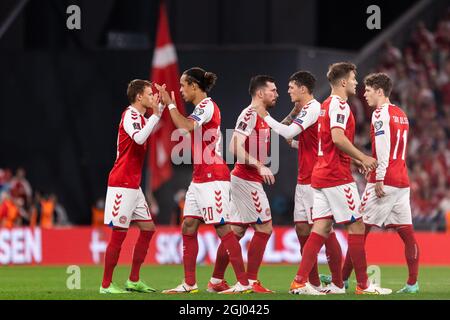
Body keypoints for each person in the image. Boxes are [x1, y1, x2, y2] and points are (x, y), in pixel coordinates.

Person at [287, 62, 392, 295]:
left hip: (320, 175)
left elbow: (330, 144)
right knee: (356, 225)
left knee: (321, 227)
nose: (356, 83)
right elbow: (337, 138)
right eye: (354, 79)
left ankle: (303, 281)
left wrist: (354, 160)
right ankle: (363, 286)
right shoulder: (341, 106)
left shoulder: (325, 105)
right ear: (343, 82)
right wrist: (363, 157)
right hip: (337, 176)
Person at [156, 67, 251, 294]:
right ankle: (189, 283)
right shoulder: (200, 108)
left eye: (182, 85)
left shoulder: (207, 106)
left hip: (213, 176)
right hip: (199, 176)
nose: (180, 90)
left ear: (194, 86)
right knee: (188, 225)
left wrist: (170, 104)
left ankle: (243, 283)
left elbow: (185, 126)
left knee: (221, 227)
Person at [323, 73, 420, 293]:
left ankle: (344, 279)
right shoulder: (401, 113)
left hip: (384, 181)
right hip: (402, 181)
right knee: (407, 233)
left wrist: (379, 177)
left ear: (379, 91)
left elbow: (384, 148)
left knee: (358, 229)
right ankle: (413, 283)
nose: (363, 94)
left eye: (367, 90)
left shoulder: (380, 114)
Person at [255, 71, 343, 294]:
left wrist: (264, 116)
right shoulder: (304, 110)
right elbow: (292, 139)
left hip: (316, 180)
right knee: (302, 229)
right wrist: (289, 116)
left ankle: (338, 283)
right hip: (303, 179)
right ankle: (312, 284)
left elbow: (288, 131)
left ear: (303, 89)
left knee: (324, 230)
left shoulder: (314, 108)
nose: (287, 90)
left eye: (291, 86)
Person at [208, 75, 277, 294]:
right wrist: (259, 165)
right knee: (265, 228)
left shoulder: (264, 116)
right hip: (247, 179)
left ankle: (216, 281)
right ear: (260, 93)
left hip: (244, 179)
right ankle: (252, 281)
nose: (276, 94)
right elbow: (234, 147)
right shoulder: (249, 114)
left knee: (236, 231)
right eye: (272, 90)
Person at [100, 79, 162, 294]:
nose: (152, 96)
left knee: (148, 229)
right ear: (139, 97)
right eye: (149, 93)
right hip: (121, 183)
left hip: (133, 185)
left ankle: (133, 280)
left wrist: (156, 114)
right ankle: (105, 285)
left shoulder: (141, 117)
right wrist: (155, 115)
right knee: (119, 233)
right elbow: (138, 138)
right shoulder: (130, 115)